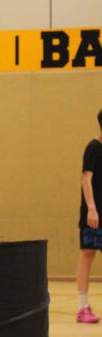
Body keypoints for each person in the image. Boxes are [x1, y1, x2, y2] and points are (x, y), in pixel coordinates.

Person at [76, 109, 102, 323]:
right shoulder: (93, 148)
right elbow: (86, 179)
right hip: (93, 214)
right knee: (88, 254)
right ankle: (83, 307)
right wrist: (91, 207)